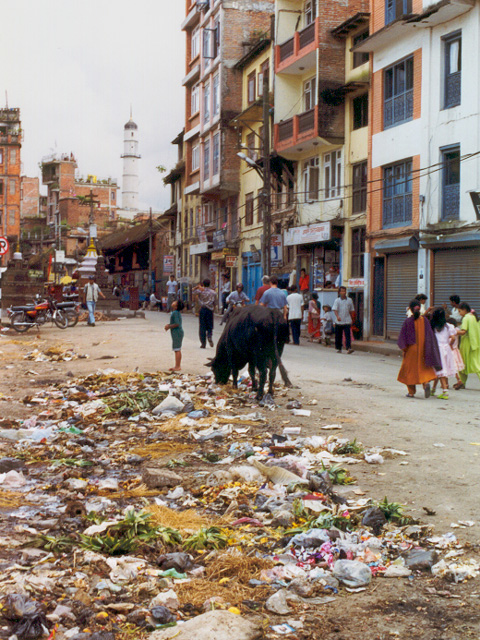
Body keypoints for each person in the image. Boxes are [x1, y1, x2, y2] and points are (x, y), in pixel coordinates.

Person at [397, 299, 441, 398]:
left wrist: (404, 349)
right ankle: (425, 383)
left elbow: (403, 337)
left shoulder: (408, 321)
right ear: (419, 308)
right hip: (423, 349)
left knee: (408, 371)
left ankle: (411, 392)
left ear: (410, 309)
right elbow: (430, 335)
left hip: (411, 349)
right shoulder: (424, 320)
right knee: (422, 368)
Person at [430, 307, 458, 399]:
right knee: (442, 370)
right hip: (446, 349)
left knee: (440, 370)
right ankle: (433, 389)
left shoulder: (433, 326)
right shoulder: (448, 326)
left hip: (437, 349)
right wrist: (450, 344)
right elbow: (453, 337)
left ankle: (445, 391)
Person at [454, 302, 480, 389]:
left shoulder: (466, 318)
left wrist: (453, 331)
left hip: (467, 344)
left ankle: (462, 382)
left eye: (460, 311)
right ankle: (462, 383)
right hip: (475, 343)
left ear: (464, 310)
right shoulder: (474, 317)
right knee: (475, 363)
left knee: (464, 364)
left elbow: (463, 331)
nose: (459, 313)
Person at [195, 278, 217, 348]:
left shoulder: (200, 291)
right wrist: (214, 308)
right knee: (210, 325)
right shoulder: (213, 292)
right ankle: (209, 336)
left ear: (203, 284)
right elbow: (215, 302)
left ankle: (203, 344)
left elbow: (192, 292)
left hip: (203, 309)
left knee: (202, 327)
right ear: (209, 284)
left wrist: (197, 287)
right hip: (210, 310)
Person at [332, 286, 355, 354]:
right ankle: (339, 348)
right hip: (339, 321)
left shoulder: (349, 300)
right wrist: (337, 316)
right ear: (339, 292)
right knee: (338, 336)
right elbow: (335, 309)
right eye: (341, 291)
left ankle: (348, 348)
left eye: (344, 291)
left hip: (347, 320)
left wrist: (352, 319)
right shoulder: (337, 300)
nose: (343, 292)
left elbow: (351, 310)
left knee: (348, 335)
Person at [164, 299, 184, 371]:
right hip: (177, 332)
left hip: (177, 332)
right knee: (177, 348)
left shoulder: (175, 313)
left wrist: (169, 326)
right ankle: (177, 365)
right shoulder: (176, 312)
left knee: (177, 349)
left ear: (176, 306)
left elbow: (177, 323)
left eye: (175, 302)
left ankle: (177, 366)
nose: (173, 302)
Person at [446, 318, 465, 387]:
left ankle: (449, 383)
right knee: (454, 367)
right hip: (456, 350)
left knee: (448, 366)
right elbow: (462, 333)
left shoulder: (450, 331)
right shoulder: (456, 330)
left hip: (450, 350)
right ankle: (457, 380)